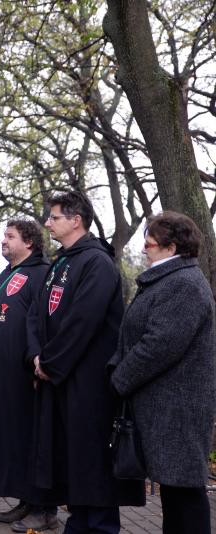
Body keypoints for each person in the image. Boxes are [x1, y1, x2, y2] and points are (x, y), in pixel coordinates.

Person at [30, 191, 144, 533]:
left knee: (92, 459)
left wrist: (49, 362)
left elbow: (83, 321)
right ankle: (78, 522)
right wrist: (35, 355)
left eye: (54, 217)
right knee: (70, 458)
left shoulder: (97, 262)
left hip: (89, 382)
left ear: (76, 219)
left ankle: (101, 526)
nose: (48, 223)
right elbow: (37, 314)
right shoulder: (61, 262)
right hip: (59, 378)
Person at [108, 211, 216, 534]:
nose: (144, 248)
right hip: (166, 407)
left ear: (172, 248)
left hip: (178, 408)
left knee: (185, 493)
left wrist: (118, 380)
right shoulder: (169, 279)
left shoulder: (184, 284)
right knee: (175, 491)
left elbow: (159, 345)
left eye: (150, 242)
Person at [0, 220, 57, 532]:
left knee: (31, 440)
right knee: (12, 439)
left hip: (26, 376)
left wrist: (38, 362)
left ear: (30, 242)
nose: (3, 241)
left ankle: (44, 508)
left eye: (10, 236)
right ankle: (26, 499)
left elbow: (43, 323)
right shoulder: (6, 273)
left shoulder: (41, 273)